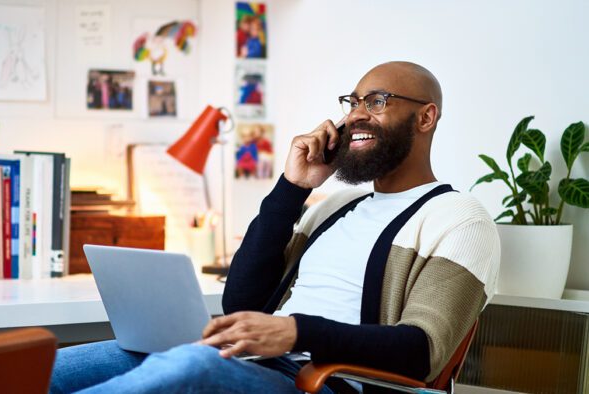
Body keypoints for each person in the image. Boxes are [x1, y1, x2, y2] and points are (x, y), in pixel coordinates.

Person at [50, 61, 500, 393]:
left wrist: (295, 332)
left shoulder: (459, 218)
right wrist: (291, 187)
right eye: (353, 102)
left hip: (322, 383)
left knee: (189, 368)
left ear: (426, 117)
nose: (356, 115)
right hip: (252, 361)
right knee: (50, 366)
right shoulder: (336, 205)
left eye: (377, 101)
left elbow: (422, 351)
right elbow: (241, 299)